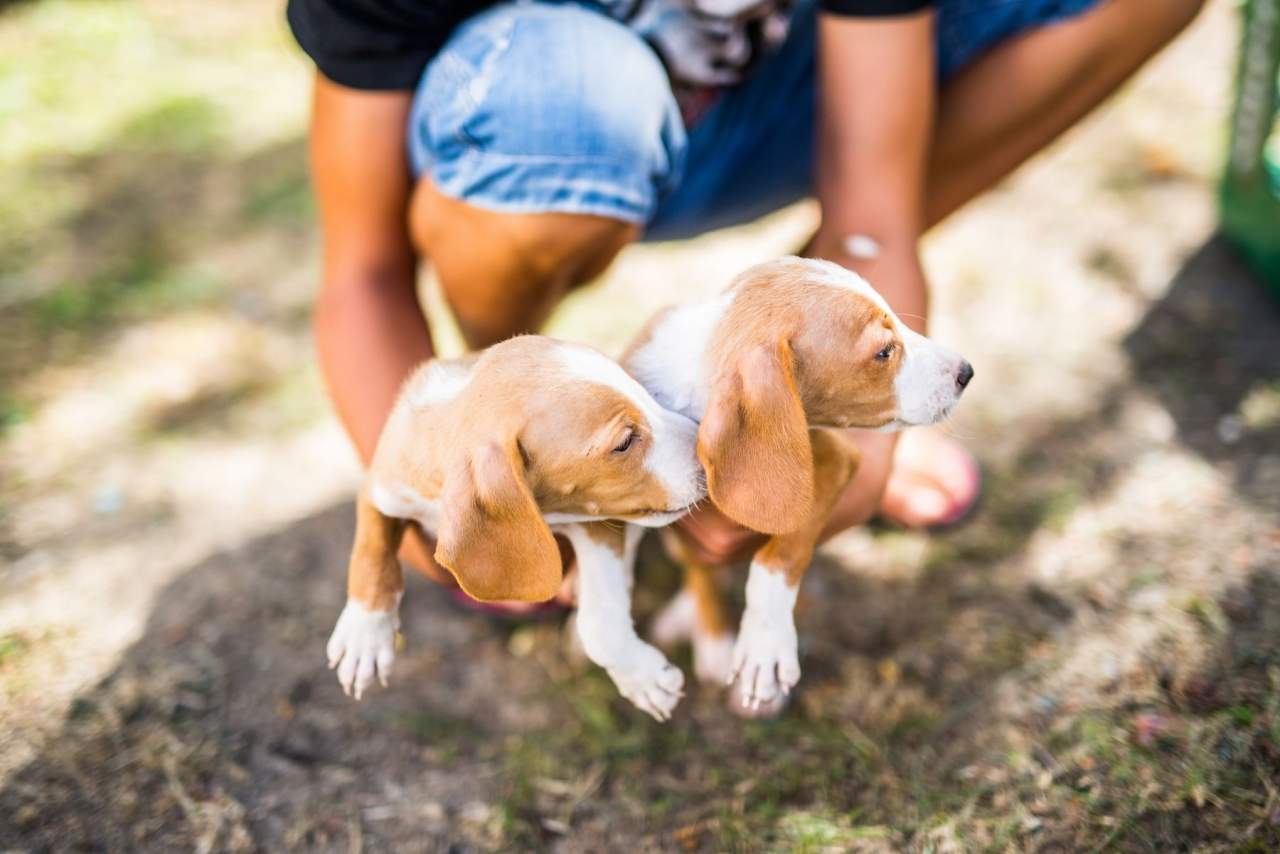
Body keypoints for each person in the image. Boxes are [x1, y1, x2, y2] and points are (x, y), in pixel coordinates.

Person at [289, 0, 1204, 607]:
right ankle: (533, 424)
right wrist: (440, 505)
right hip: (535, 133)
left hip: (769, 98)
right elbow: (364, 272)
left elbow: (871, 221)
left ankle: (801, 390)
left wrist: (844, 448)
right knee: (570, 105)